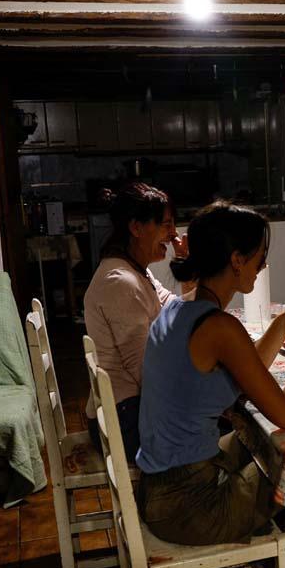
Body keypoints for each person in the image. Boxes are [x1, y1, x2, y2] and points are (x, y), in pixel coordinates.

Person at [136, 202, 285, 568]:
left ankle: (284, 566)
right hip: (192, 509)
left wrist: (283, 323)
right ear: (236, 260)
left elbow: (245, 373)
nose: (263, 267)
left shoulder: (180, 309)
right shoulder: (218, 327)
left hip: (162, 484)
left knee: (261, 442)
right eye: (260, 258)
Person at [83, 182, 188, 461]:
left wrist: (188, 263)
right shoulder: (121, 282)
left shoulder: (138, 273)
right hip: (123, 420)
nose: (174, 233)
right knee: (214, 425)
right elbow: (146, 372)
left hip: (132, 408)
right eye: (166, 224)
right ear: (136, 228)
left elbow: (178, 309)